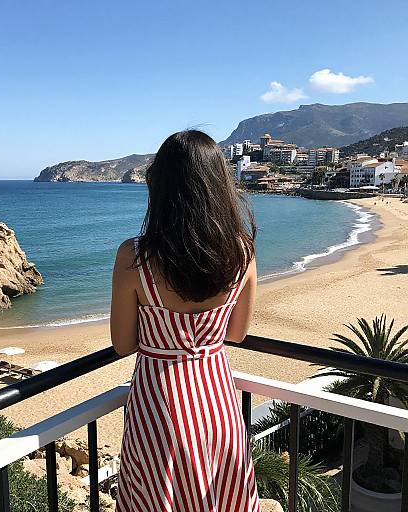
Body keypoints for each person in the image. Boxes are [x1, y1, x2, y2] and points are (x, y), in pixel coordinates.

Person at [111, 130, 260, 511]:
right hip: (217, 403)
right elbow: (238, 333)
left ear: (159, 186)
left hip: (158, 409)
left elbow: (123, 344)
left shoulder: (135, 256)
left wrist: (165, 332)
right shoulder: (241, 251)